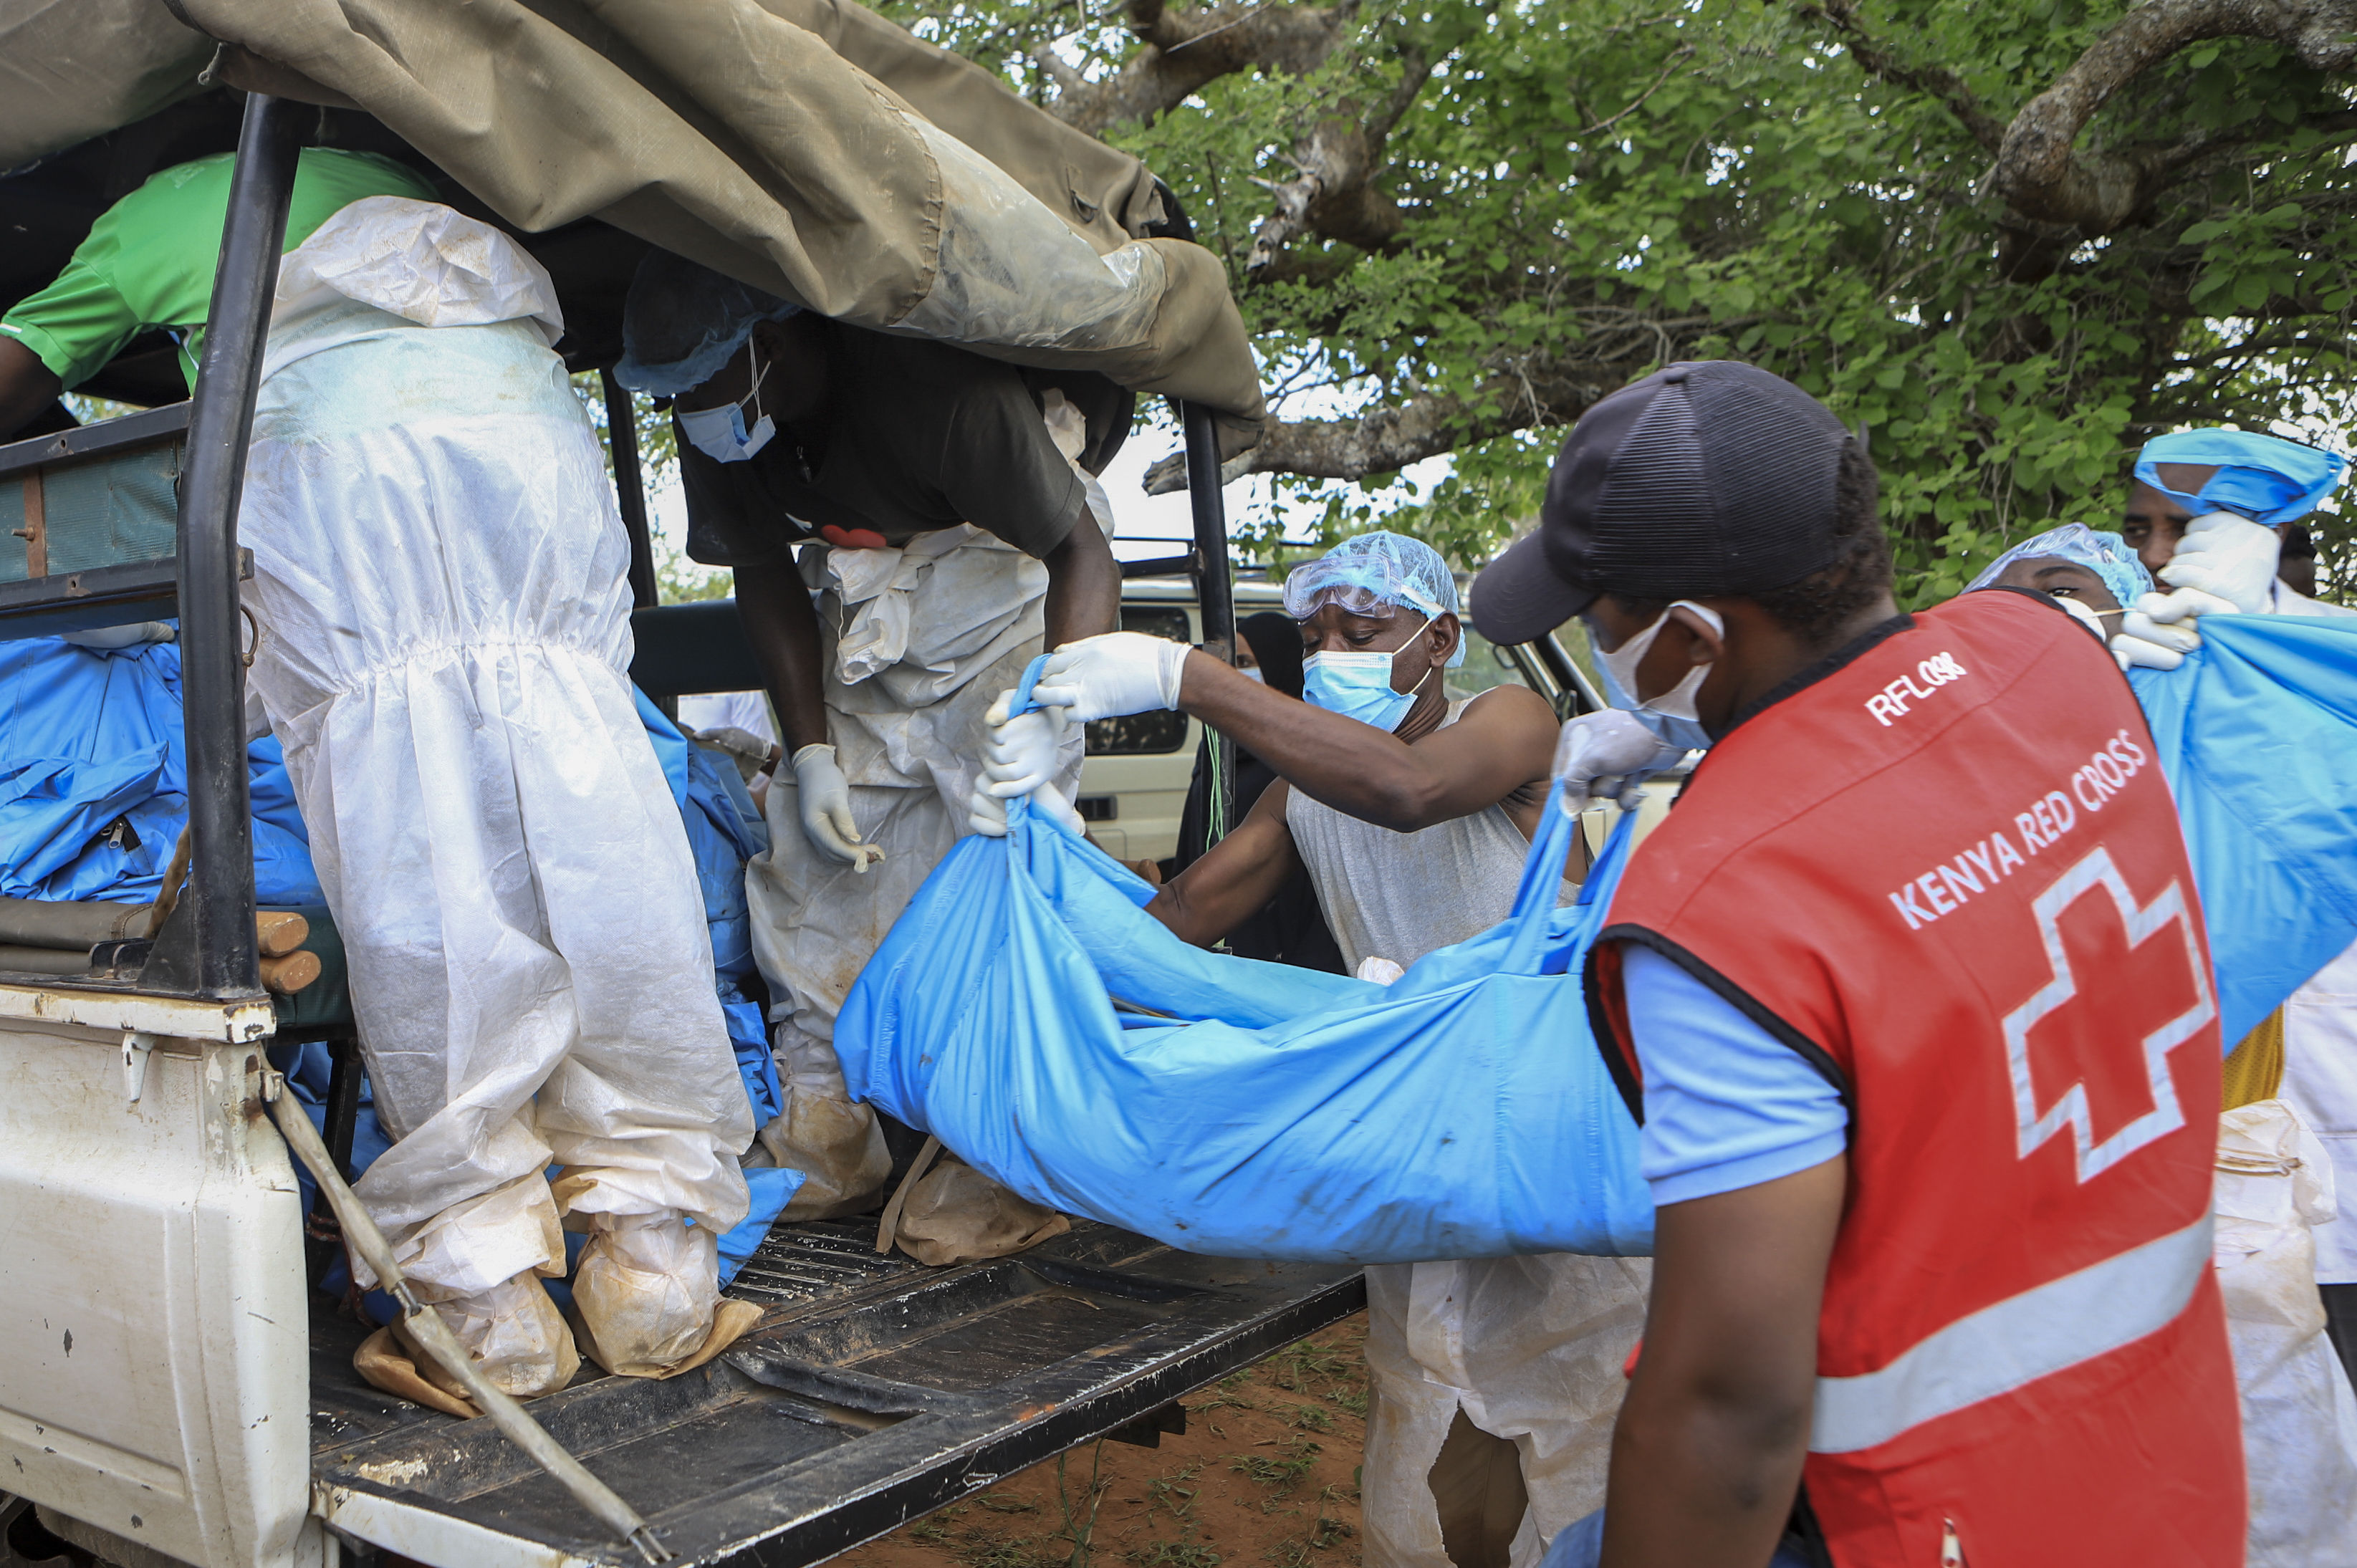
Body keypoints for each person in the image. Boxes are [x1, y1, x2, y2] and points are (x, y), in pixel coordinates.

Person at [0, 155, 756, 1395]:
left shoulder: (155, 210)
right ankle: (659, 1281)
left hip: (354, 475)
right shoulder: (411, 171)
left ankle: (492, 1316)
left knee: (426, 872)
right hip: (532, 460)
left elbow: (16, 381)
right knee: (600, 829)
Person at [1469, 360, 2240, 1568]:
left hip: (1927, 1510)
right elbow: (1907, 724)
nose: (1592, 642)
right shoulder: (2055, 654)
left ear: (1691, 633)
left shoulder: (1723, 906)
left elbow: (1731, 1410)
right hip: (2159, 1445)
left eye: (1599, 616)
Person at [980, 531, 1650, 1568]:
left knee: (1587, 1436)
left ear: (1437, 639)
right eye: (1314, 632)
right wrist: (1034, 858)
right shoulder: (1303, 794)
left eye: (1362, 628)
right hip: (1417, 1149)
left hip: (1551, 1135)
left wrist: (1181, 676)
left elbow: (1409, 790)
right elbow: (1185, 915)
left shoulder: (1506, 722)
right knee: (1428, 1421)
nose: (1330, 648)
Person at [614, 251, 1128, 1233]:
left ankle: (1007, 1151)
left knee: (998, 855)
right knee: (813, 862)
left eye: (695, 389)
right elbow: (762, 576)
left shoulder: (935, 394)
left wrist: (1056, 715)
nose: (684, 413)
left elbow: (1080, 553)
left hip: (1008, 591)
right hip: (872, 610)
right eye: (667, 396)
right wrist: (807, 756)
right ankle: (828, 1133)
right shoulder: (721, 422)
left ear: (767, 346)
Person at [1170, 608, 1345, 970]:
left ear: (1280, 664)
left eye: (1246, 661)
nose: (1233, 674)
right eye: (1229, 662)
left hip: (1281, 965)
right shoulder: (1217, 752)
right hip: (1208, 947)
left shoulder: (1299, 767)